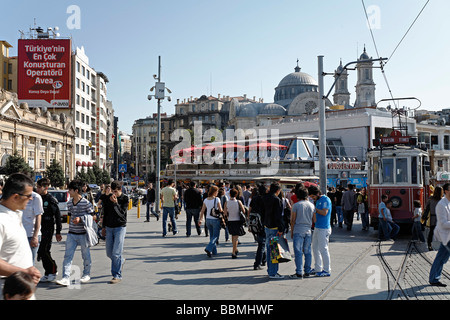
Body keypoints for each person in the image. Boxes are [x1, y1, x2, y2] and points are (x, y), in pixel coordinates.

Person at [0, 173, 41, 292]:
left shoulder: (15, 214)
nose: (31, 199)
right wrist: (24, 272)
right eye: (28, 196)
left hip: (22, 287)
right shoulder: (1, 219)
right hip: (8, 290)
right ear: (15, 197)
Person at [56, 180, 94, 286]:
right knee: (67, 256)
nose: (68, 191)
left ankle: (86, 274)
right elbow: (70, 215)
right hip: (71, 233)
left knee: (85, 255)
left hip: (83, 234)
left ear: (76, 191)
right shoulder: (69, 203)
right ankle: (65, 277)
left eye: (70, 190)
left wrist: (81, 219)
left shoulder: (86, 203)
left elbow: (94, 216)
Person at [101, 180, 129, 284]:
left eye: (116, 191)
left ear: (120, 190)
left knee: (116, 253)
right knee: (109, 253)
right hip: (109, 227)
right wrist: (103, 227)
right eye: (112, 191)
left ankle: (116, 275)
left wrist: (116, 203)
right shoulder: (109, 198)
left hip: (120, 227)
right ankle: (121, 261)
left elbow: (122, 214)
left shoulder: (124, 198)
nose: (114, 194)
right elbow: (106, 213)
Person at [36, 178, 62, 283]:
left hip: (48, 227)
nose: (37, 189)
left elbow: (57, 215)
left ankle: (53, 269)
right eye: (36, 187)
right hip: (39, 228)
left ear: (45, 188)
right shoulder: (36, 198)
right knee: (41, 252)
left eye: (39, 187)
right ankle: (47, 272)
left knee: (44, 250)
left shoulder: (50, 199)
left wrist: (58, 231)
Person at [289, 186, 315, 279]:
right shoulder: (312, 205)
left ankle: (299, 272)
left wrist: (291, 231)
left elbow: (293, 220)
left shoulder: (296, 205)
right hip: (308, 230)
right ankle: (307, 271)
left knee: (298, 252)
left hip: (298, 230)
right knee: (307, 251)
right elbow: (314, 220)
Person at [429, 183, 450, 287]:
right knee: (441, 258)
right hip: (446, 236)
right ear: (446, 191)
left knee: (442, 258)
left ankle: (434, 278)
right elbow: (443, 223)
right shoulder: (441, 205)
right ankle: (434, 278)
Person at [308, 185, 332, 277]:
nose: (313, 198)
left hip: (324, 228)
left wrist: (314, 209)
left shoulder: (325, 200)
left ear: (318, 193)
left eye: (313, 196)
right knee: (315, 248)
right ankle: (318, 267)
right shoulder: (317, 200)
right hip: (317, 227)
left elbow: (324, 212)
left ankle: (327, 270)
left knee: (323, 249)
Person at [263, 183, 285, 279]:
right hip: (274, 227)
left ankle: (270, 270)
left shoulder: (265, 197)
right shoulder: (277, 200)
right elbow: (278, 216)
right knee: (274, 251)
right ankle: (273, 272)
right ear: (278, 190)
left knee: (269, 249)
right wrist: (281, 228)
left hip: (267, 226)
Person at [198, 185, 223, 257]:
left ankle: (214, 252)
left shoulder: (206, 200)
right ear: (215, 192)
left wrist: (200, 219)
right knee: (216, 236)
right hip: (215, 219)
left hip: (208, 219)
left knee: (211, 236)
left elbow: (202, 210)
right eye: (217, 191)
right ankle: (208, 248)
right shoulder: (217, 199)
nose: (218, 192)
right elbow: (220, 210)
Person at [22, 189, 43, 265]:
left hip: (31, 235)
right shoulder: (17, 196)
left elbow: (38, 216)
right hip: (20, 235)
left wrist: (35, 236)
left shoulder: (36, 197)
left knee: (29, 264)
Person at [223, 188, 246, 259]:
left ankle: (235, 249)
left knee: (233, 236)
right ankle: (233, 252)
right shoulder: (238, 202)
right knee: (236, 237)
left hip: (230, 221)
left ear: (230, 194)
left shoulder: (226, 202)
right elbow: (244, 211)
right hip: (237, 220)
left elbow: (225, 213)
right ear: (236, 194)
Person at [249, 185, 267, 270]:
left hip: (255, 223)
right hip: (263, 223)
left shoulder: (255, 198)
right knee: (262, 244)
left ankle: (263, 259)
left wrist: (249, 222)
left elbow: (250, 209)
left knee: (261, 242)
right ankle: (257, 263)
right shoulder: (265, 199)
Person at [423, 186, 442, 251]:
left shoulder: (430, 199)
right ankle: (443, 246)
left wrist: (424, 217)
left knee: (431, 232)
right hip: (440, 218)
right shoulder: (442, 199)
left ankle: (429, 245)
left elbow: (427, 208)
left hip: (432, 218)